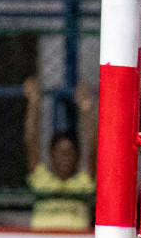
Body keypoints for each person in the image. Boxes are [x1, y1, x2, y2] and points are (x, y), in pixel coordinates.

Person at [22, 76, 96, 230]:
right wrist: (34, 103)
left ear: (77, 156)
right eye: (60, 153)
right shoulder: (41, 179)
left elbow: (95, 147)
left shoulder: (83, 182)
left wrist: (87, 109)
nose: (65, 158)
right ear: (51, 154)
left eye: (69, 153)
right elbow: (31, 141)